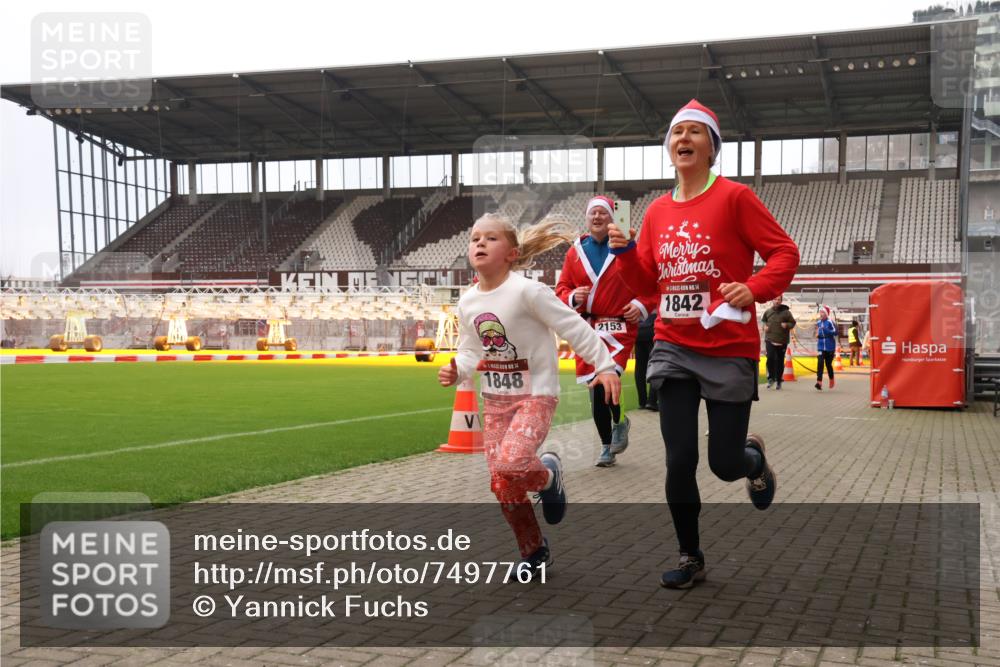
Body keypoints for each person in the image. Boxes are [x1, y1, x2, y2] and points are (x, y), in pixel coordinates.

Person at [607, 99, 799, 588]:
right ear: (669, 147)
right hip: (672, 344)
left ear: (711, 148)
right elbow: (648, 284)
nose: (684, 139)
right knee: (679, 460)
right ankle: (690, 555)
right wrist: (626, 254)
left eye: (695, 132)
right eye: (677, 133)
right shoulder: (656, 211)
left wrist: (753, 288)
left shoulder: (734, 198)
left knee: (723, 463)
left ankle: (751, 461)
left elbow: (784, 252)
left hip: (728, 344)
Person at [438, 212, 621, 578]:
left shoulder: (528, 291)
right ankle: (534, 551)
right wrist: (458, 366)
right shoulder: (469, 300)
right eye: (475, 238)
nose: (479, 243)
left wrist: (604, 365)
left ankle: (550, 478)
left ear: (512, 253)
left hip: (535, 396)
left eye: (490, 238)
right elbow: (471, 348)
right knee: (501, 484)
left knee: (511, 464)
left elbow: (573, 326)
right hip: (495, 400)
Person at [556, 196, 657, 466]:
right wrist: (573, 296)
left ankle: (619, 422)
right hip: (587, 327)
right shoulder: (574, 251)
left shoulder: (627, 247)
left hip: (619, 327)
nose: (598, 217)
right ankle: (607, 441)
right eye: (593, 214)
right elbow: (561, 289)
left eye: (603, 213)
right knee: (593, 389)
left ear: (613, 218)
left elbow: (651, 285)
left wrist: (640, 305)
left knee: (605, 381)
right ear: (586, 219)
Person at [761, 294, 796, 390]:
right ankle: (771, 378)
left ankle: (779, 381)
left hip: (782, 340)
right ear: (772, 300)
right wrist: (764, 327)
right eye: (775, 299)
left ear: (781, 301)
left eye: (779, 299)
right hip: (769, 339)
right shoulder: (768, 312)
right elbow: (763, 320)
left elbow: (793, 323)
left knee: (780, 361)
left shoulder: (786, 313)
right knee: (770, 358)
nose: (777, 301)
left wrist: (787, 325)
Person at [635, 311, 658, 411]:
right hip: (652, 329)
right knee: (656, 365)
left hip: (638, 331)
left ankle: (642, 402)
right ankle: (652, 401)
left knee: (640, 368)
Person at [815, 306, 837, 390]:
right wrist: (817, 335)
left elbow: (835, 332)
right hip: (820, 346)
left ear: (827, 313)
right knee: (820, 363)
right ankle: (819, 382)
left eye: (823, 312)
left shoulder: (830, 322)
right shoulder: (818, 322)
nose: (821, 314)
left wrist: (826, 330)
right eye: (820, 312)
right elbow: (817, 332)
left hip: (830, 346)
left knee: (828, 365)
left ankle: (831, 379)